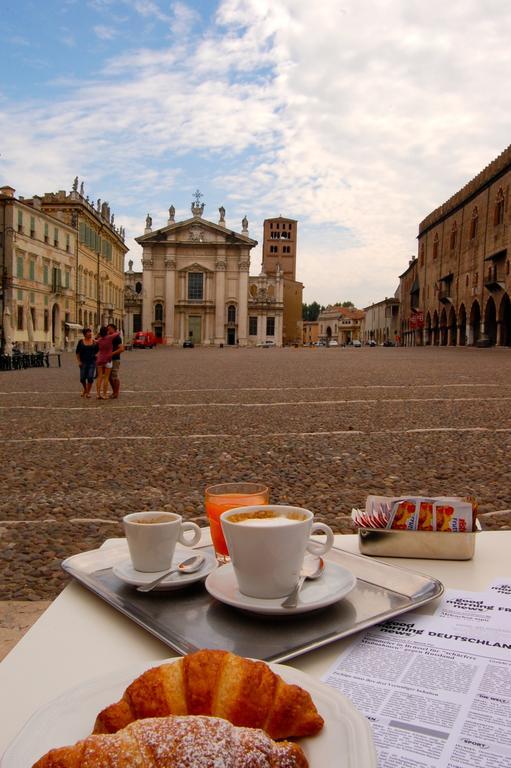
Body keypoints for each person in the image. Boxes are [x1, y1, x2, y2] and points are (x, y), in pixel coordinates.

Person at [95, 326, 119, 400]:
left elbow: (94, 341)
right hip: (108, 359)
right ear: (106, 332)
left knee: (99, 377)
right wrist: (110, 332)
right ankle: (105, 394)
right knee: (106, 378)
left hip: (99, 359)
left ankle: (98, 394)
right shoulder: (109, 337)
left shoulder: (99, 340)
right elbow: (117, 333)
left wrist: (97, 336)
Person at [75, 328, 98, 398]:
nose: (90, 334)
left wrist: (97, 355)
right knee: (82, 378)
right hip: (83, 362)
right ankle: (85, 389)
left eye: (90, 332)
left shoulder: (94, 342)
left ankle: (88, 392)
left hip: (92, 362)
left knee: (90, 377)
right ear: (85, 334)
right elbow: (77, 353)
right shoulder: (81, 342)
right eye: (88, 332)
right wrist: (79, 361)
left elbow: (98, 351)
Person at [107, 323, 125, 399]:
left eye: (109, 328)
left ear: (114, 329)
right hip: (108, 359)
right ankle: (114, 391)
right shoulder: (108, 337)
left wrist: (112, 353)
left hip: (115, 359)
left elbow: (121, 349)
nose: (108, 330)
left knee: (114, 376)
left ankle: (116, 393)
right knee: (109, 377)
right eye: (107, 329)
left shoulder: (117, 338)